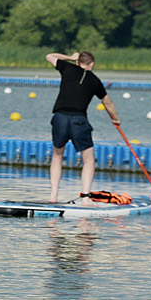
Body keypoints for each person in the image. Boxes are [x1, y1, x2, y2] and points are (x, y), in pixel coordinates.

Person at [46, 50, 121, 202]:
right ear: (92, 64)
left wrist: (69, 58)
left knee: (57, 156)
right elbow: (108, 103)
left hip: (60, 118)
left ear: (78, 62)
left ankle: (53, 196)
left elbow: (49, 56)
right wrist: (116, 119)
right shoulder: (95, 81)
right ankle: (86, 198)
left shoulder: (67, 68)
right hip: (78, 121)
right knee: (88, 159)